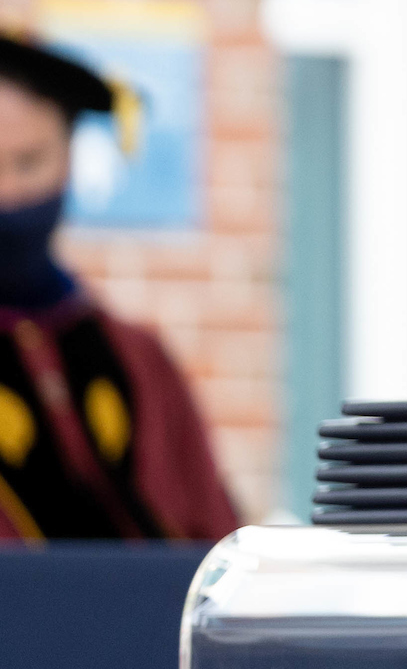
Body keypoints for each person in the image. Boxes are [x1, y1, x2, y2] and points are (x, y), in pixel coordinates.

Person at [0, 31, 239, 543]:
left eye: (29, 163)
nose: (9, 193)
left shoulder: (140, 361)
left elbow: (214, 538)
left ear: (68, 160)